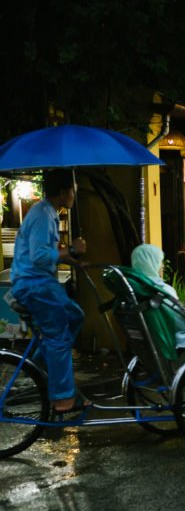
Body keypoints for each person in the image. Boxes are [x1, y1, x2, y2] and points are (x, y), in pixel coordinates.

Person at [10, 169, 87, 413]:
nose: (75, 195)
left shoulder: (49, 212)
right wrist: (71, 251)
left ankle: (44, 370)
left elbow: (48, 253)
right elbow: (40, 256)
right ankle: (63, 398)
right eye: (73, 190)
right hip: (36, 285)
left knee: (75, 315)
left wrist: (70, 259)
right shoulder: (43, 214)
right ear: (64, 193)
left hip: (39, 283)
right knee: (59, 336)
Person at [130, 244, 185, 350]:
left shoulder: (135, 287)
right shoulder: (161, 290)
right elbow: (179, 320)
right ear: (152, 263)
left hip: (148, 339)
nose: (162, 266)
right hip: (172, 339)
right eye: (159, 261)